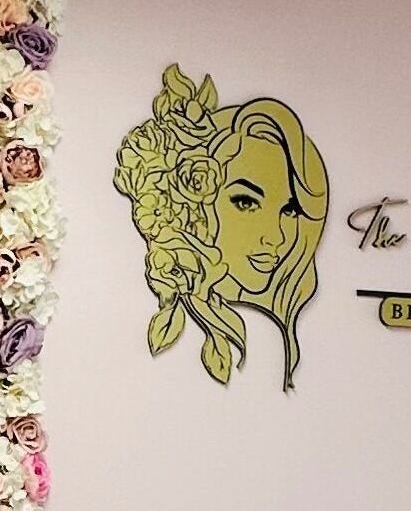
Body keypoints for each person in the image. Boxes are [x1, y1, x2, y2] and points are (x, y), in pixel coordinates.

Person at [113, 64, 331, 390]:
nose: (275, 236)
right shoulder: (252, 335)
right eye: (245, 202)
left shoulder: (265, 335)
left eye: (289, 210)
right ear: (193, 202)